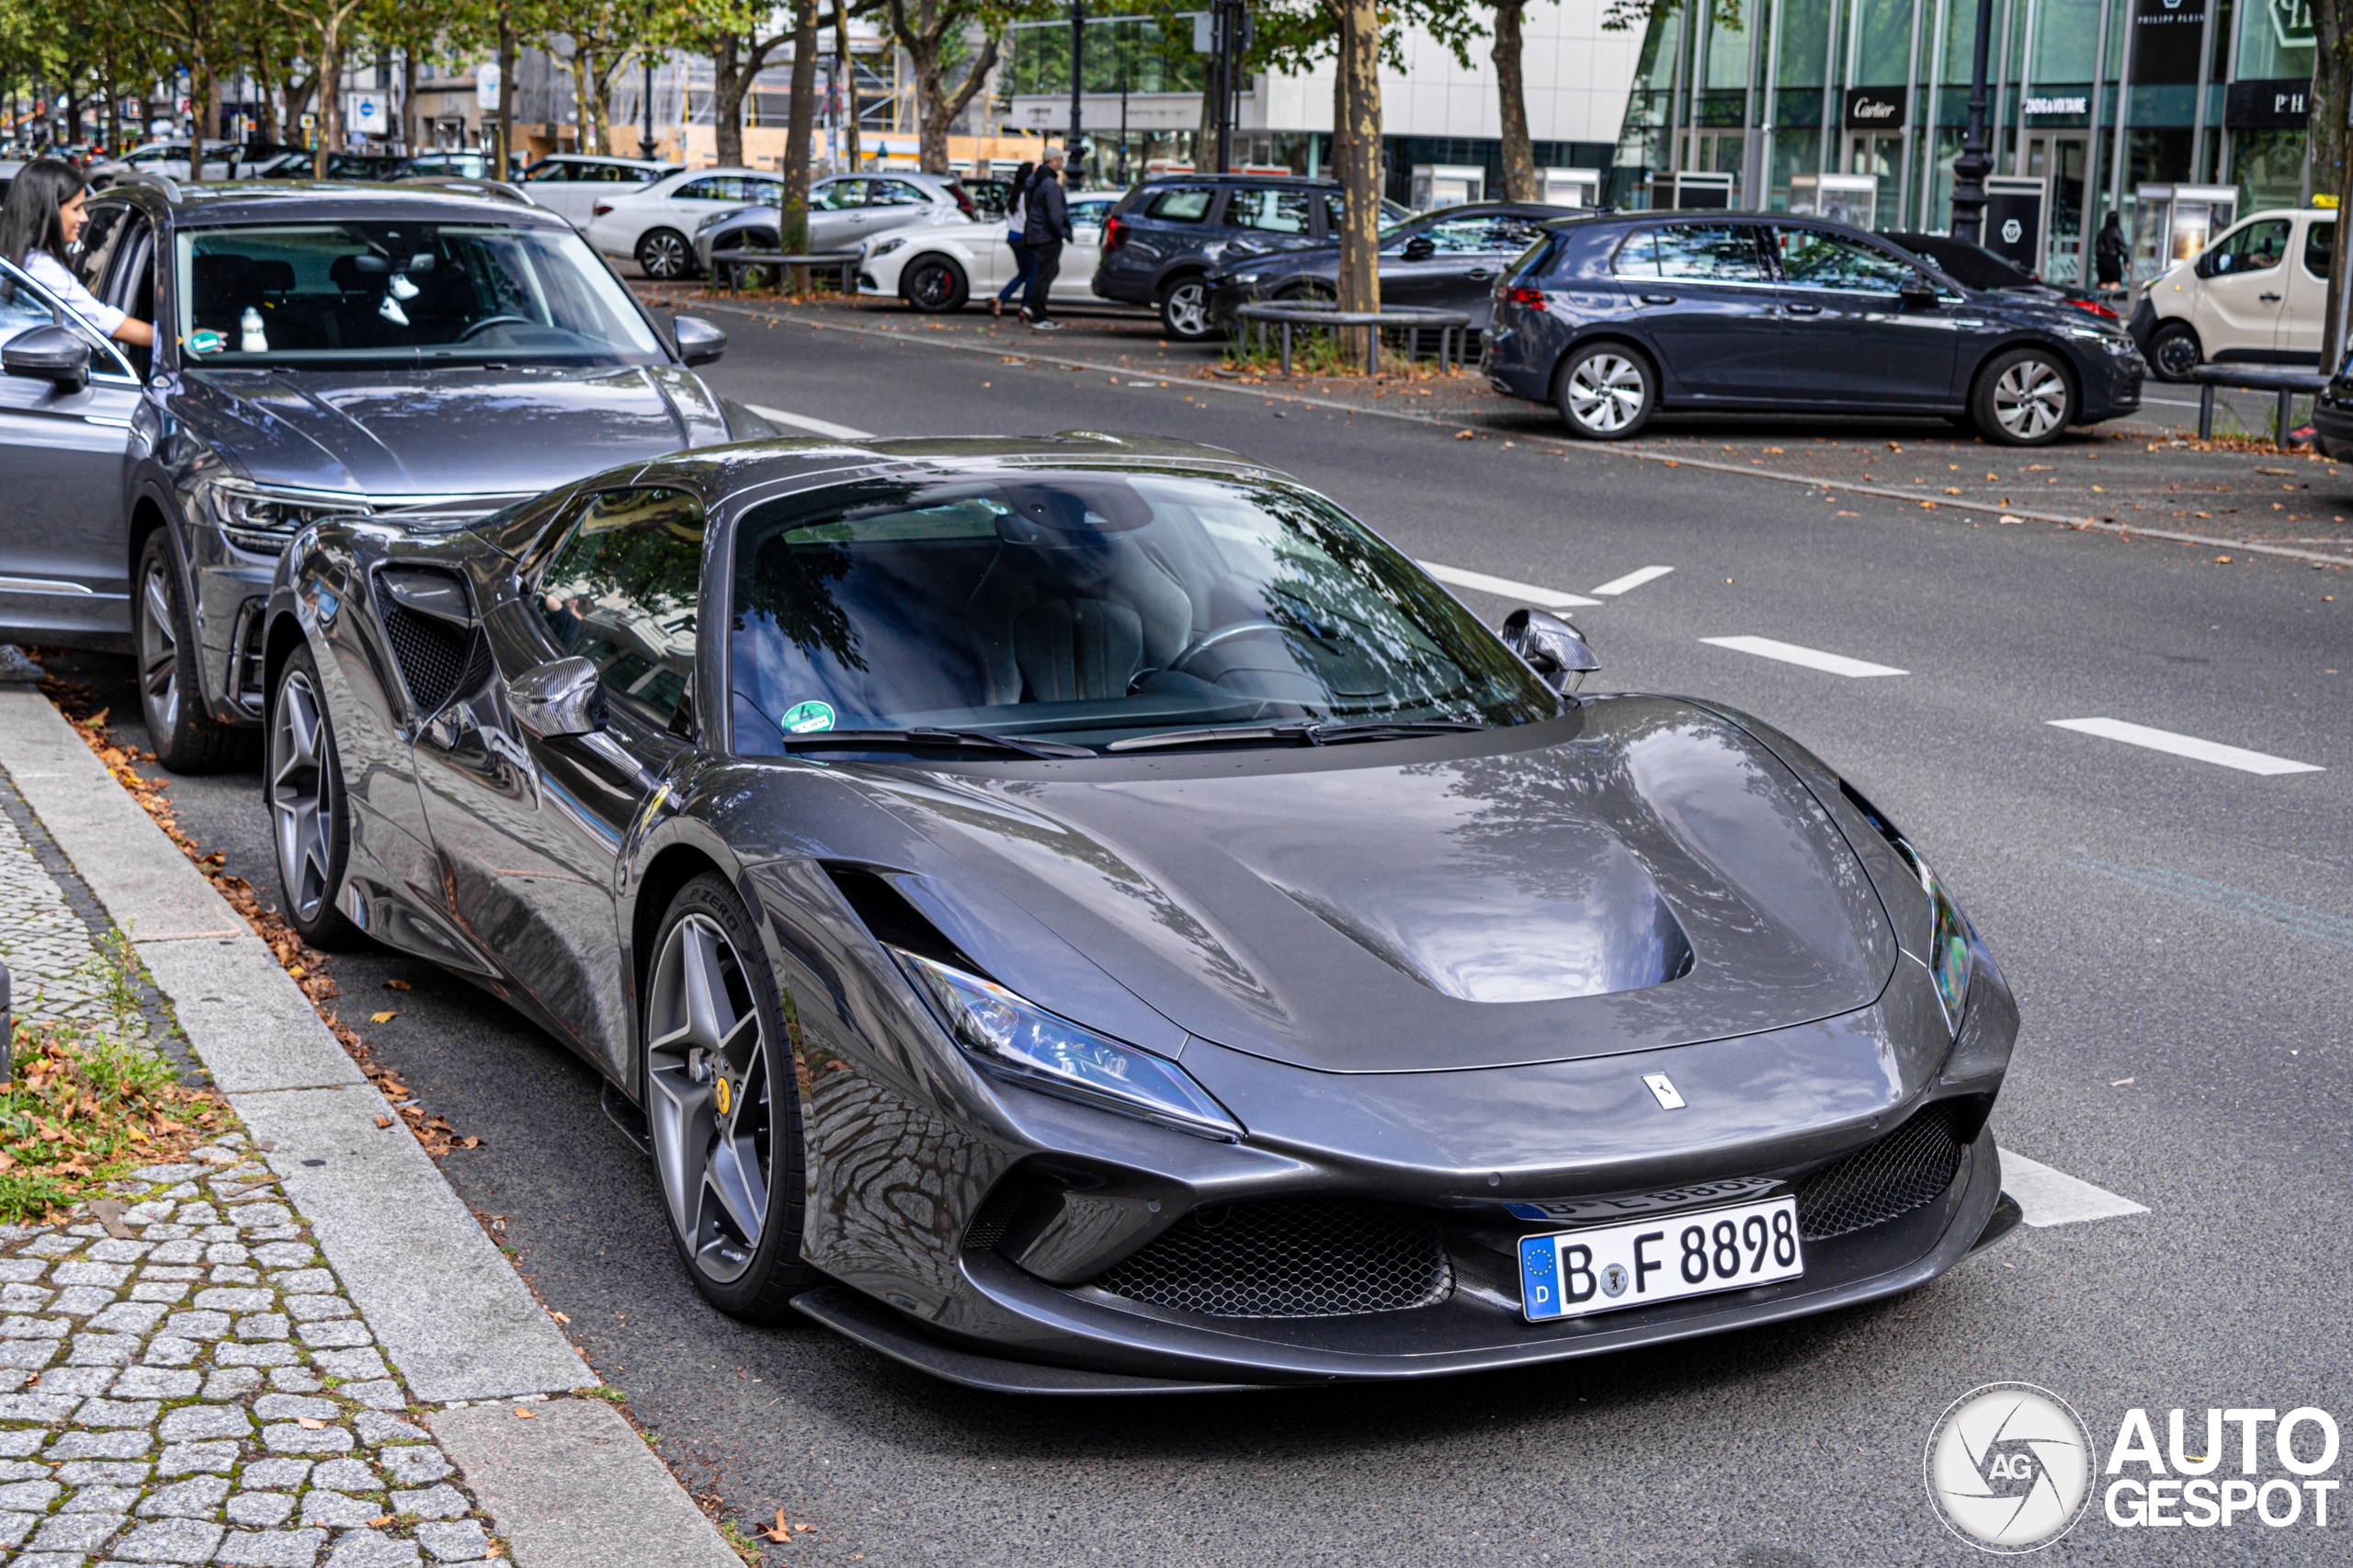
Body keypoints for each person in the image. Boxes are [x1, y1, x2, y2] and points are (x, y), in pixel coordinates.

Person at [0, 158, 153, 348]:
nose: (84, 217)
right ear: (48, 211)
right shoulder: (42, 269)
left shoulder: (14, 257)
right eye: (76, 208)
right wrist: (179, 342)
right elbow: (105, 322)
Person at [1021, 147, 1071, 331]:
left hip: (1037, 233)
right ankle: (1038, 314)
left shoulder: (1035, 180)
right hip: (1048, 235)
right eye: (1060, 159)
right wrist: (1063, 231)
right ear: (1053, 161)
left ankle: (1032, 306)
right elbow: (1055, 213)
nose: (1062, 163)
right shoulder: (1050, 184)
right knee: (1045, 274)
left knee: (1047, 272)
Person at [993, 161, 1035, 319]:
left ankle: (1001, 299)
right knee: (1032, 272)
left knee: (1023, 273)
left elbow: (1008, 215)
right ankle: (1025, 307)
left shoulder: (1014, 193)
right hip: (1023, 237)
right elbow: (1027, 218)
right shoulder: (1025, 195)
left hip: (1012, 235)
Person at [2094, 211, 2128, 292]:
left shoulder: (2101, 232)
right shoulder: (2117, 232)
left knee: (2103, 282)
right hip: (2112, 260)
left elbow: (2097, 246)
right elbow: (2122, 247)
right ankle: (2109, 297)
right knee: (2116, 282)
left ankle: (2103, 298)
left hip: (2101, 260)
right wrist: (2126, 261)